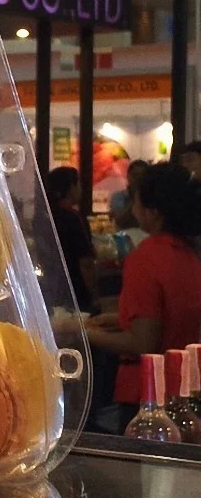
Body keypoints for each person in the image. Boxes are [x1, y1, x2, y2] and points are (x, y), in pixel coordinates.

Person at [86, 163, 201, 432]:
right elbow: (171, 315)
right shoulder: (189, 254)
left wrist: (81, 332)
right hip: (186, 387)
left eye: (134, 199)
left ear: (153, 211)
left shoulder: (145, 257)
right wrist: (120, 318)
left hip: (146, 393)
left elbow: (143, 342)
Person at [45, 166, 98, 313]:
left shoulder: (44, 215)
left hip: (52, 288)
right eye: (79, 183)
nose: (81, 188)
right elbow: (85, 262)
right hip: (76, 290)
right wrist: (94, 295)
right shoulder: (73, 218)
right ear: (71, 188)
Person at [109, 159, 149, 230]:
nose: (137, 179)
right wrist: (135, 197)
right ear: (128, 176)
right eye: (135, 175)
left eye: (141, 176)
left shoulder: (151, 198)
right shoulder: (118, 197)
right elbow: (119, 220)